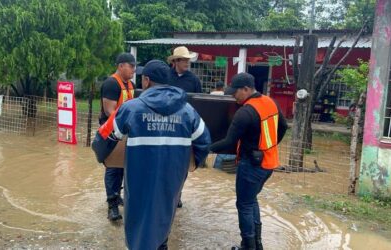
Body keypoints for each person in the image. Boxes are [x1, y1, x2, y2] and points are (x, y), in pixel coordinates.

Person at [110, 60, 210, 249]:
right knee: (164, 219)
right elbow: (204, 143)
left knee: (137, 225)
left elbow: (105, 141)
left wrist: (107, 161)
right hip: (172, 180)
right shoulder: (187, 111)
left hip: (138, 180)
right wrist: (189, 165)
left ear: (146, 80)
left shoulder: (131, 108)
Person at [209, 73, 287, 250]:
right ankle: (257, 244)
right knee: (251, 200)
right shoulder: (270, 102)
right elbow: (283, 127)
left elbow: (229, 142)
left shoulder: (245, 112)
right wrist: (270, 147)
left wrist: (205, 148)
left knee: (243, 204)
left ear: (246, 89)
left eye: (235, 92)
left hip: (251, 165)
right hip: (269, 164)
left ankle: (248, 246)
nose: (233, 96)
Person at [99, 52, 136, 221]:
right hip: (112, 132)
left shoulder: (131, 84)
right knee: (113, 167)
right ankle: (112, 205)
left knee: (123, 166)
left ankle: (117, 195)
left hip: (126, 131)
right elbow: (109, 111)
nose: (134, 70)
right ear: (121, 66)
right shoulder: (111, 84)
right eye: (131, 66)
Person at [168, 46, 202, 207]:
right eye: (184, 60)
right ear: (175, 61)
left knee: (182, 162)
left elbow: (199, 103)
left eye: (189, 60)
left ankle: (178, 193)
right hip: (166, 125)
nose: (188, 62)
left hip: (185, 126)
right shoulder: (166, 77)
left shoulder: (193, 80)